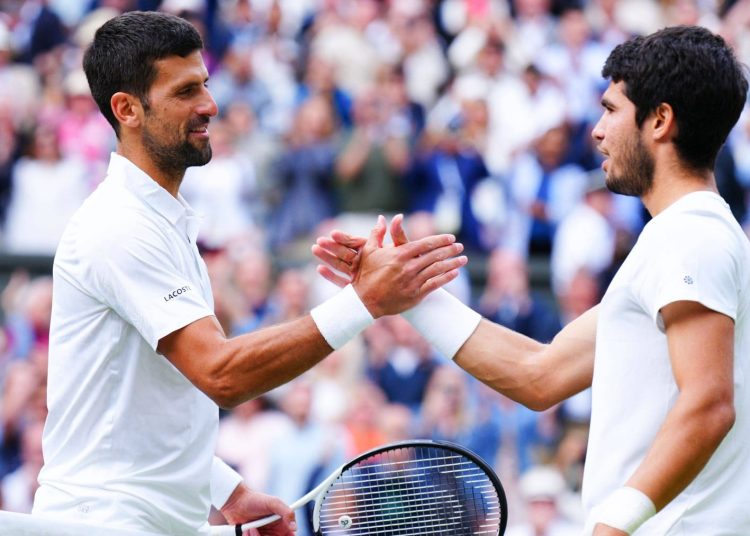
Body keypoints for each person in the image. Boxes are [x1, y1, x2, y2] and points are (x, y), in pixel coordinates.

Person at [29, 11, 467, 536]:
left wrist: (228, 492)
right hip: (103, 523)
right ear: (127, 109)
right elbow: (222, 374)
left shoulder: (157, 220)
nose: (210, 105)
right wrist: (365, 301)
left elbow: (148, 408)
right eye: (186, 91)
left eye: (206, 84)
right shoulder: (120, 227)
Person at [314, 26, 750, 535]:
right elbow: (538, 374)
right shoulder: (682, 238)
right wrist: (408, 295)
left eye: (611, 109)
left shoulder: (690, 236)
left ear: (660, 121)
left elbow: (709, 403)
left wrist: (614, 525)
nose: (597, 130)